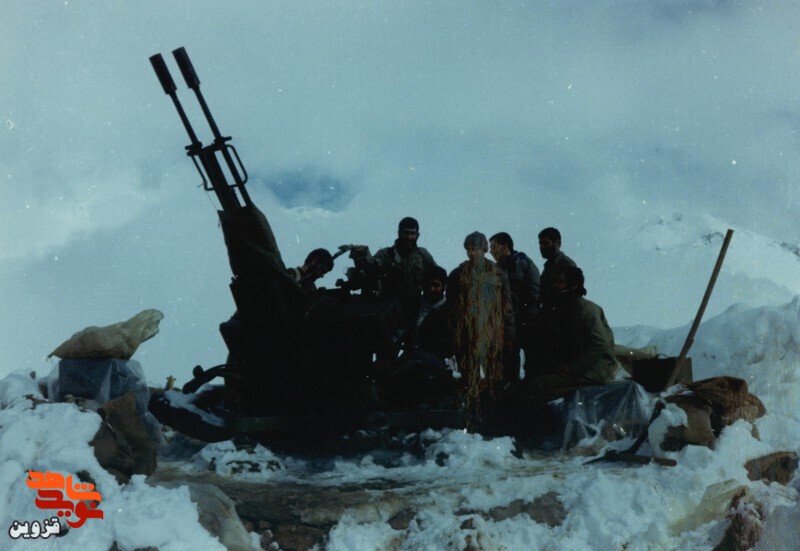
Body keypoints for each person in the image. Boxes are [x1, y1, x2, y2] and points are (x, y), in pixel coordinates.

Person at [526, 266, 618, 403]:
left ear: (574, 285)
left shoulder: (586, 309)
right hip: (584, 370)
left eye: (560, 282)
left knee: (539, 386)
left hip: (594, 372)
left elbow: (599, 343)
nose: (555, 286)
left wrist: (573, 367)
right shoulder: (567, 309)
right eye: (554, 282)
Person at [448, 232, 515, 403]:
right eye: (469, 249)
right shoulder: (457, 274)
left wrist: (510, 337)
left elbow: (507, 308)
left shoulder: (499, 274)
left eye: (476, 248)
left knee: (496, 382)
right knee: (469, 383)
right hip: (467, 338)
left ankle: (494, 414)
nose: (472, 253)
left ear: (484, 249)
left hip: (493, 338)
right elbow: (451, 309)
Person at [360, 216, 438, 328]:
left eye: (412, 233)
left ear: (418, 235)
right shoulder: (386, 254)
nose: (409, 237)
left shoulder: (423, 255)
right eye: (405, 233)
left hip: (415, 308)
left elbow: (437, 276)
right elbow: (370, 270)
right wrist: (363, 256)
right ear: (399, 233)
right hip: (389, 311)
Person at [489, 232, 541, 381]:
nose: (490, 251)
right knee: (508, 363)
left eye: (493, 247)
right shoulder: (496, 269)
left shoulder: (524, 264)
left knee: (531, 363)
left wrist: (530, 321)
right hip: (507, 323)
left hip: (525, 322)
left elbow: (535, 294)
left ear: (504, 245)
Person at [537, 227, 577, 307]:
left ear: (557, 243)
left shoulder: (566, 264)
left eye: (546, 243)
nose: (542, 247)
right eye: (541, 244)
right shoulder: (549, 266)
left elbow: (573, 292)